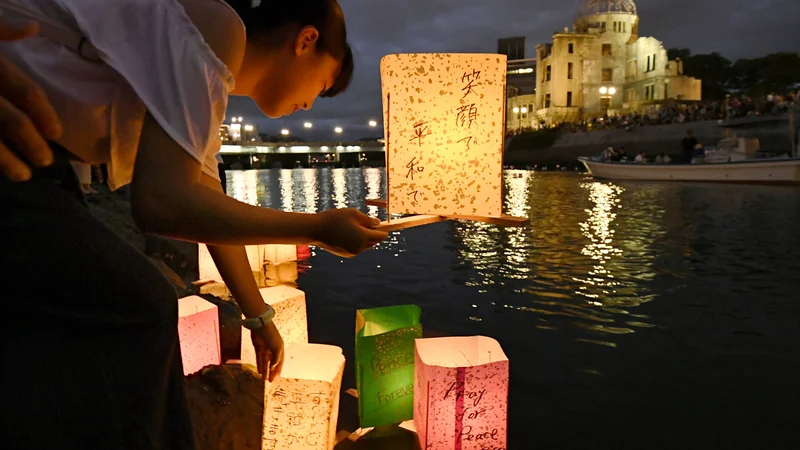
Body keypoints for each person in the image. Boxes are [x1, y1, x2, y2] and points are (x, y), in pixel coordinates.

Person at [0, 0, 387, 448]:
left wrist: (258, 316)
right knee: (142, 305)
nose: (307, 105)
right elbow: (163, 203)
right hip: (18, 160)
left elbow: (205, 202)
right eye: (322, 85)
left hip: (36, 165)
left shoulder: (199, 82)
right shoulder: (219, 28)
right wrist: (317, 227)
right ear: (305, 41)